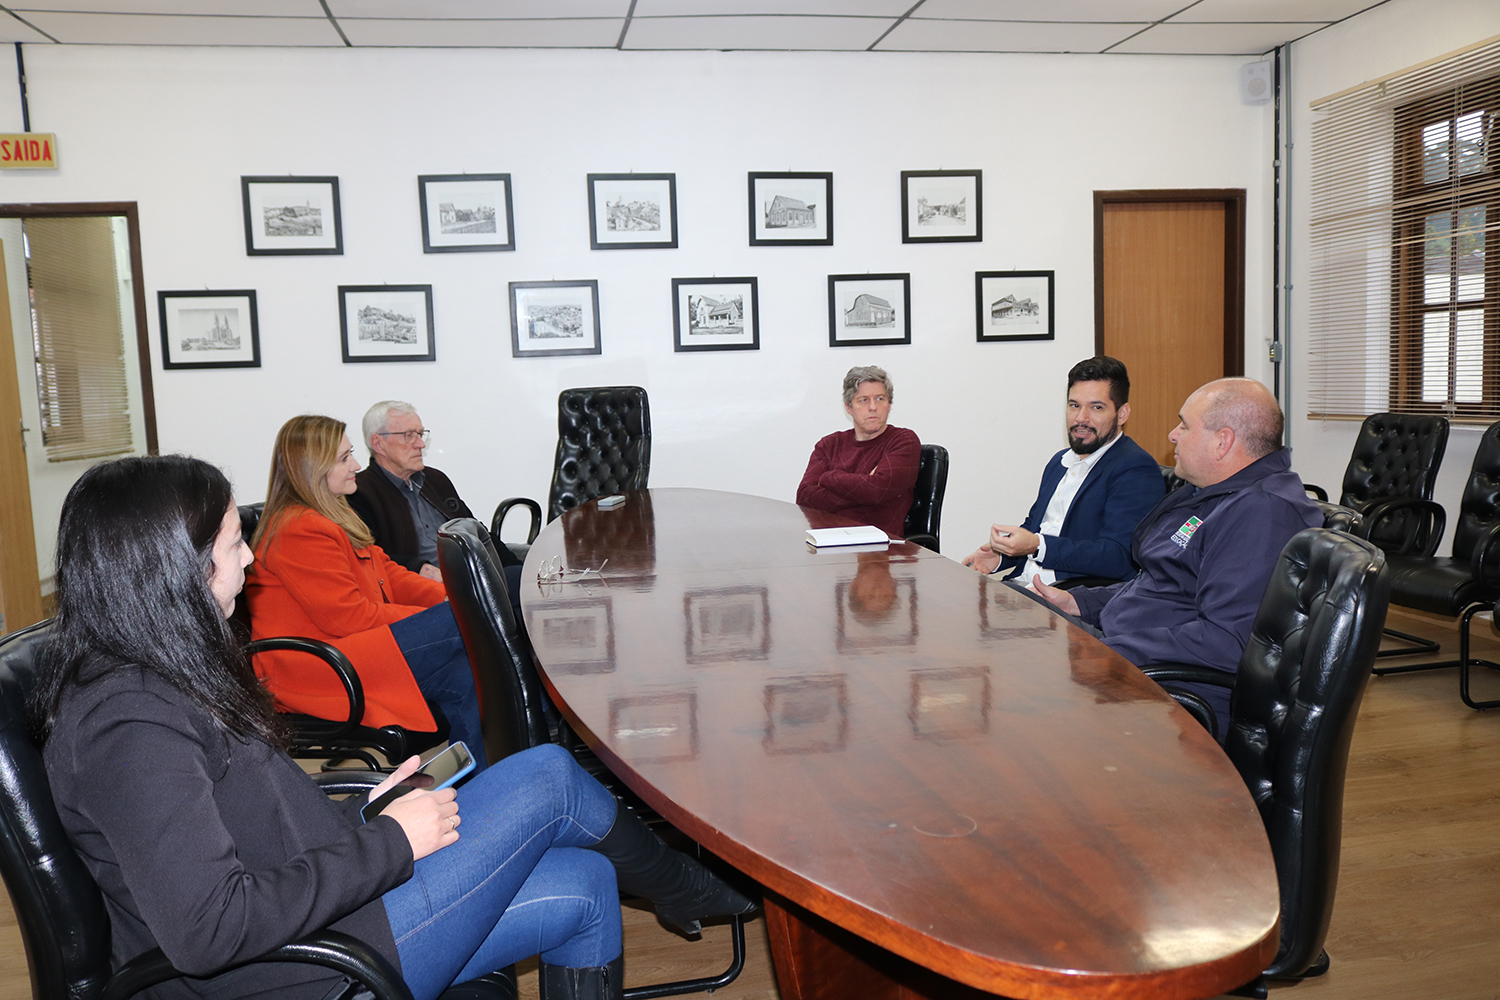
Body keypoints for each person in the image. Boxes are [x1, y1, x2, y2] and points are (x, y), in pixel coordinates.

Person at [33, 455, 754, 1000]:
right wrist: (390, 842)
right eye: (230, 545)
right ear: (169, 571)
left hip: (326, 912)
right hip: (290, 970)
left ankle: (689, 890)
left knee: (588, 882)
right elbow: (210, 929)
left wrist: (367, 809)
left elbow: (255, 821)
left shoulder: (164, 672)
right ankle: (697, 891)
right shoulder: (127, 724)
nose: (250, 559)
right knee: (549, 777)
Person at [1028, 378, 1321, 733]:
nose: (1172, 434)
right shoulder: (1211, 493)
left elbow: (1227, 641)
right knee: (1015, 614)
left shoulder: (1262, 514)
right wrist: (1079, 601)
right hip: (1126, 648)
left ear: (1223, 441)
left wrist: (1109, 652)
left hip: (1168, 690)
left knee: (1022, 691)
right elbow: (1159, 584)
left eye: (1184, 425)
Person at [245, 414, 486, 768]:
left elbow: (389, 573)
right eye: (344, 459)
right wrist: (442, 614)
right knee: (474, 615)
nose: (356, 466)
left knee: (469, 676)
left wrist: (448, 594)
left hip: (354, 646)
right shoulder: (298, 528)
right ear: (314, 469)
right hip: (319, 664)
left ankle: (483, 785)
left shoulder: (332, 515)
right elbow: (349, 615)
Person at [961, 356, 1163, 585]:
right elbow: (1035, 528)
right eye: (1074, 405)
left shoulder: (1135, 468)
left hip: (1069, 599)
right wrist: (1000, 557)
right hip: (1020, 588)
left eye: (1096, 407)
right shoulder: (1059, 461)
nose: (1081, 418)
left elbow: (1118, 556)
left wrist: (1038, 546)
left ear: (1122, 414)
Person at [349, 400, 522, 582]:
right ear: (378, 443)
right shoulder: (359, 492)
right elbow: (370, 557)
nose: (420, 444)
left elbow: (475, 530)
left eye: (420, 434)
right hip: (424, 587)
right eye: (409, 436)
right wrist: (418, 567)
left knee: (524, 579)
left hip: (473, 575)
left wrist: (516, 568)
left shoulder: (435, 480)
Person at [795, 365, 921, 538]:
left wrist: (828, 478)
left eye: (880, 399)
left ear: (889, 405)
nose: (873, 407)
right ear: (849, 407)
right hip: (829, 544)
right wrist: (864, 488)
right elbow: (805, 497)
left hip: (880, 548)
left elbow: (877, 492)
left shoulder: (903, 440)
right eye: (863, 400)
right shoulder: (829, 445)